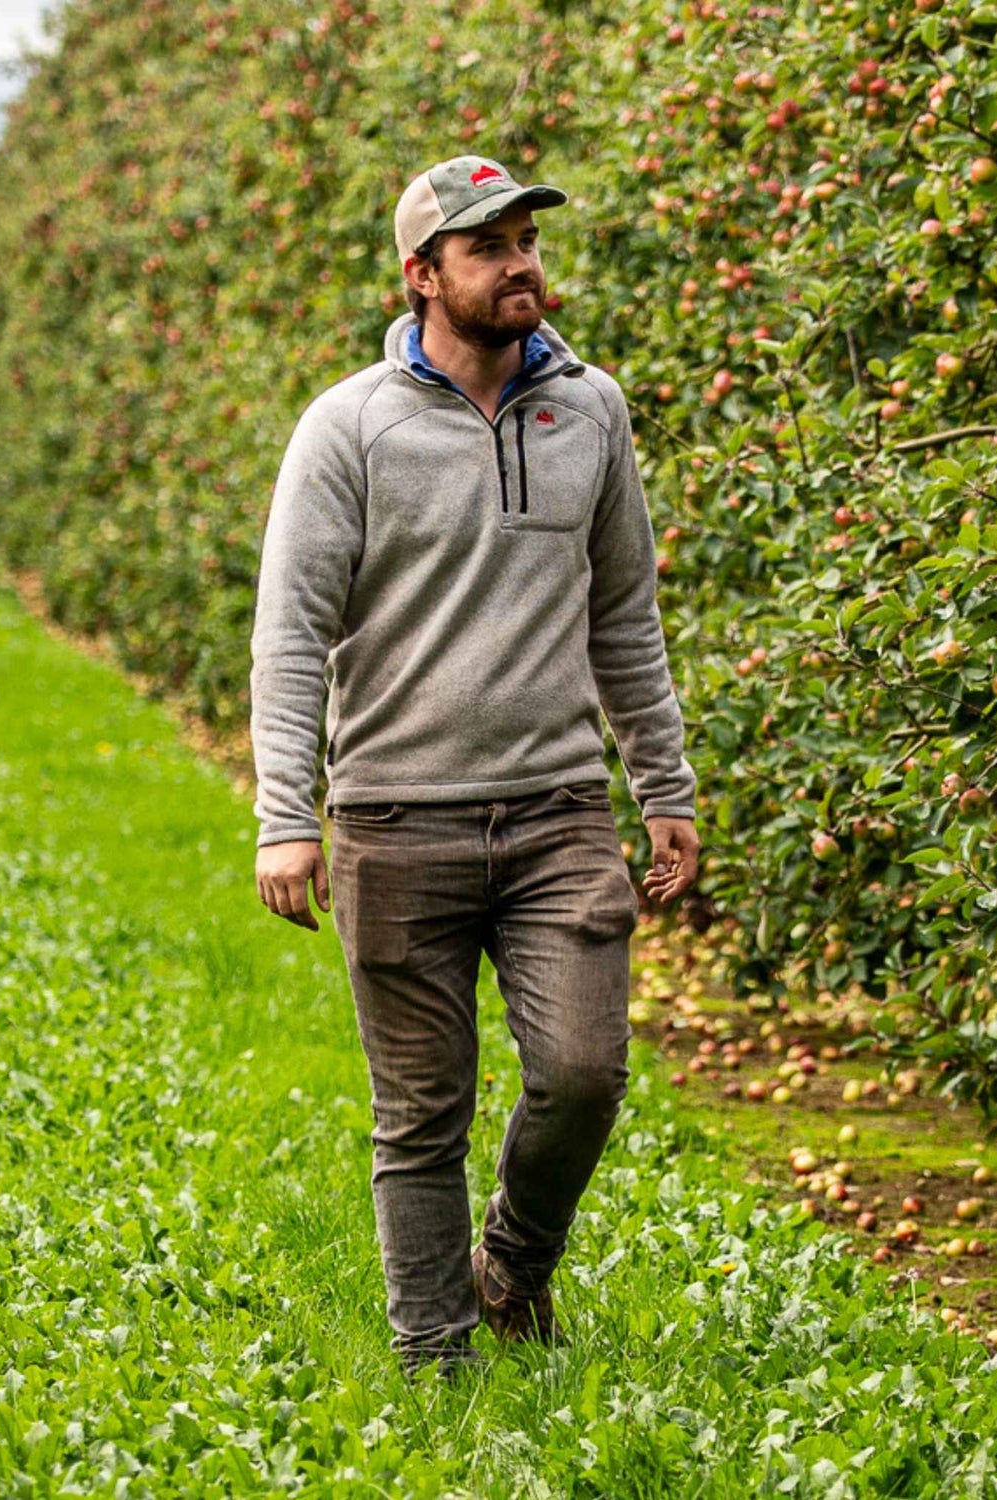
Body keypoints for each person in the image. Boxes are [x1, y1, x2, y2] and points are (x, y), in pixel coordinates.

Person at [249, 154, 700, 1378]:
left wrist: (663, 786)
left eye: (527, 242)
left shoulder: (591, 411)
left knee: (583, 1073)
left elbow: (624, 615)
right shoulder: (350, 428)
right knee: (421, 1115)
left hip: (559, 811)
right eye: (488, 247)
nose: (520, 265)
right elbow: (291, 635)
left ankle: (512, 1263)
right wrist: (286, 815)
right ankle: (434, 1364)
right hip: (397, 818)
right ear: (421, 274)